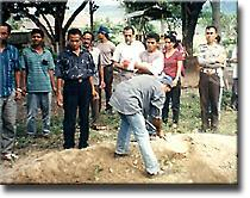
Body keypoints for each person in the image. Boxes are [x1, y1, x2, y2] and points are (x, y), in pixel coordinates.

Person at [109, 74, 172, 177]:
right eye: (168, 89)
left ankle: (120, 151)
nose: (167, 92)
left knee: (126, 123)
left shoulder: (149, 79)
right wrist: (159, 130)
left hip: (118, 95)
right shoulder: (160, 90)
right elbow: (156, 116)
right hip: (129, 100)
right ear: (166, 85)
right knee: (142, 134)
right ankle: (153, 169)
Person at [55, 28, 98, 149]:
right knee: (70, 117)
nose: (74, 43)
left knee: (84, 116)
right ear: (68, 40)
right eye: (72, 41)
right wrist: (59, 94)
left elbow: (90, 73)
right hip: (70, 87)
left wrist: (93, 89)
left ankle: (83, 143)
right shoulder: (63, 55)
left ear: (81, 40)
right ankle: (68, 144)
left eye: (77, 41)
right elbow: (59, 75)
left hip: (85, 87)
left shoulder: (86, 54)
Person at [20, 28, 56, 138]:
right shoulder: (26, 52)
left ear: (42, 39)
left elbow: (51, 70)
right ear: (31, 38)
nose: (36, 39)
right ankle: (31, 133)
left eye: (38, 37)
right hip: (32, 87)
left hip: (46, 87)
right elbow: (23, 70)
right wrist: (23, 86)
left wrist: (54, 86)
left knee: (47, 112)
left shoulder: (48, 53)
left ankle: (46, 131)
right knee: (31, 114)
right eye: (34, 36)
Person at [197, 25, 227, 133]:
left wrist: (208, 62)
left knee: (215, 101)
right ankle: (204, 125)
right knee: (204, 101)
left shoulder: (220, 48)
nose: (209, 35)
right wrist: (214, 61)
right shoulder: (201, 48)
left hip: (215, 76)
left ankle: (215, 125)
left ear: (216, 35)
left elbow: (222, 62)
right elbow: (200, 61)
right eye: (207, 33)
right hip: (204, 76)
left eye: (211, 33)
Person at [0, 22, 21, 161]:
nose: (0, 36)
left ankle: (6, 151)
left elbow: (17, 70)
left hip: (9, 91)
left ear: (8, 35)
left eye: (3, 33)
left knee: (10, 123)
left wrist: (18, 88)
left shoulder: (13, 50)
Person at [82, 31, 106, 130]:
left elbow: (100, 66)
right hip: (83, 81)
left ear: (92, 41)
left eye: (88, 39)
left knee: (96, 101)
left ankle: (95, 122)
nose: (86, 41)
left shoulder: (96, 52)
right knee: (84, 102)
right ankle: (83, 122)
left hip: (95, 80)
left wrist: (102, 80)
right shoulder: (79, 52)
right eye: (85, 39)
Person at [162, 34, 184, 129]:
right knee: (164, 101)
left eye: (169, 42)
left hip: (174, 80)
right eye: (166, 42)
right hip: (164, 80)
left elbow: (179, 67)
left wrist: (176, 79)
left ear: (173, 43)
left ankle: (175, 121)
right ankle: (164, 119)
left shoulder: (177, 54)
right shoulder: (163, 53)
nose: (167, 44)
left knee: (175, 102)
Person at [96, 25, 116, 114]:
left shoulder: (111, 45)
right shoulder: (97, 46)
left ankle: (109, 107)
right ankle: (98, 107)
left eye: (100, 33)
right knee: (98, 87)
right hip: (99, 67)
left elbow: (115, 56)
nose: (98, 35)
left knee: (108, 88)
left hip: (108, 68)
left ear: (103, 34)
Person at [230, 45, 238, 110]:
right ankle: (233, 105)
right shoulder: (236, 48)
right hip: (237, 74)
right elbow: (232, 60)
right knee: (235, 91)